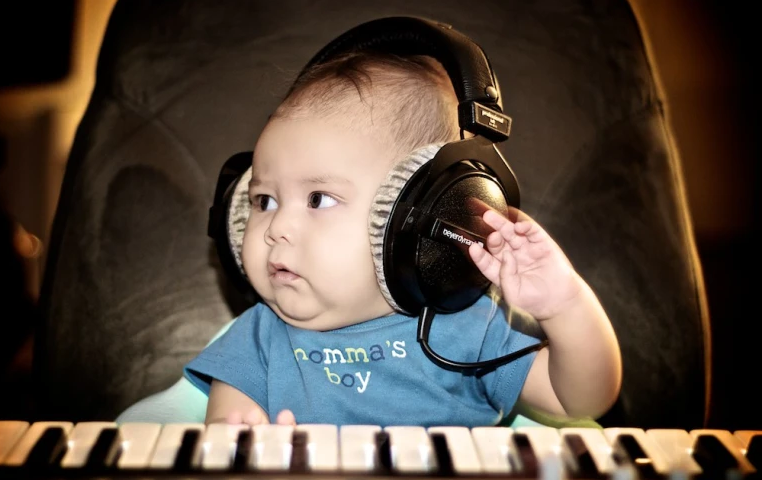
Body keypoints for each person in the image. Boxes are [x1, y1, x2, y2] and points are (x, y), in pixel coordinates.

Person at [117, 51, 621, 428]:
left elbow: (580, 400)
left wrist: (565, 305)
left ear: (413, 221)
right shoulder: (259, 337)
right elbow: (230, 434)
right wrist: (246, 443)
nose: (275, 228)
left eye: (318, 198)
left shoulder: (468, 331)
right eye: (263, 200)